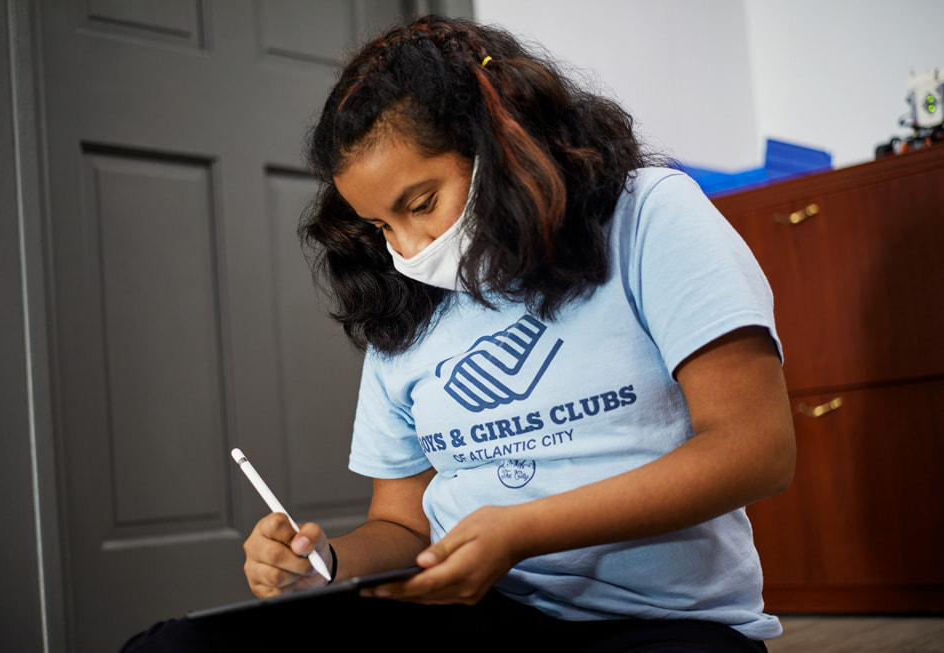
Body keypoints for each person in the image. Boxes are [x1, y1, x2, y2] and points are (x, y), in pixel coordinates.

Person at [122, 14, 795, 652]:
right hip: (482, 616)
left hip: (659, 622)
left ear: (502, 142)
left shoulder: (649, 216)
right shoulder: (402, 299)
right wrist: (321, 563)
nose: (408, 247)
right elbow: (403, 524)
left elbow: (754, 448)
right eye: (383, 226)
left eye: (421, 203)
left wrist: (523, 530)